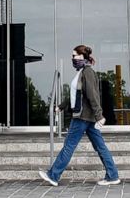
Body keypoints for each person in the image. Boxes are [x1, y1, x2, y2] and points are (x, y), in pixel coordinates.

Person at [39, 45, 121, 186]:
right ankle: (113, 176)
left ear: (82, 56)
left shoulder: (87, 72)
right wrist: (61, 106)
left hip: (82, 117)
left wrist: (99, 115)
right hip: (87, 117)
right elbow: (75, 95)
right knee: (100, 147)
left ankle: (53, 175)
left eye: (74, 56)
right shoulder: (82, 72)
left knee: (69, 146)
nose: (73, 58)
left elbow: (92, 95)